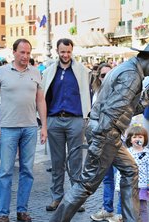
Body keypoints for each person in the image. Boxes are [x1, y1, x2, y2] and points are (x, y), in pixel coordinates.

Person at [46, 40, 149, 222]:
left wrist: (146, 98)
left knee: (131, 170)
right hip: (106, 133)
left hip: (108, 133)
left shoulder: (129, 70)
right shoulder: (132, 75)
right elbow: (113, 110)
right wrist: (98, 142)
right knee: (87, 184)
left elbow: (125, 109)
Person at [0, 38, 47, 222]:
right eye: (22, 52)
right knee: (5, 171)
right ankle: (3, 213)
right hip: (8, 127)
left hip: (30, 127)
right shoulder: (1, 71)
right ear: (14, 52)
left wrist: (43, 125)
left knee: (27, 171)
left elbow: (40, 101)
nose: (25, 56)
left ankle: (22, 210)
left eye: (28, 53)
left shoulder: (36, 72)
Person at [42, 38, 91, 212]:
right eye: (62, 51)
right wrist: (43, 121)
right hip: (54, 119)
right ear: (57, 51)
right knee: (57, 162)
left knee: (76, 161)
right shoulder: (48, 72)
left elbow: (87, 94)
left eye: (68, 51)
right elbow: (43, 96)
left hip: (76, 119)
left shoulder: (82, 71)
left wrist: (87, 117)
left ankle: (75, 199)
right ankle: (57, 198)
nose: (66, 55)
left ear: (72, 51)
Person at [89, 63, 118, 222]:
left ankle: (121, 212)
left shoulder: (120, 92)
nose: (105, 78)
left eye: (108, 75)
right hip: (102, 139)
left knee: (120, 177)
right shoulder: (97, 93)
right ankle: (107, 208)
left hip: (117, 139)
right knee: (107, 177)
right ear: (98, 78)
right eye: (102, 75)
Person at [114, 125, 149, 222]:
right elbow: (121, 170)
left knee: (142, 208)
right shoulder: (126, 152)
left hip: (142, 186)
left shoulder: (148, 152)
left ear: (145, 139)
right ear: (130, 140)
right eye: (134, 137)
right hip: (129, 186)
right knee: (130, 209)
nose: (137, 139)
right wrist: (119, 187)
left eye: (140, 137)